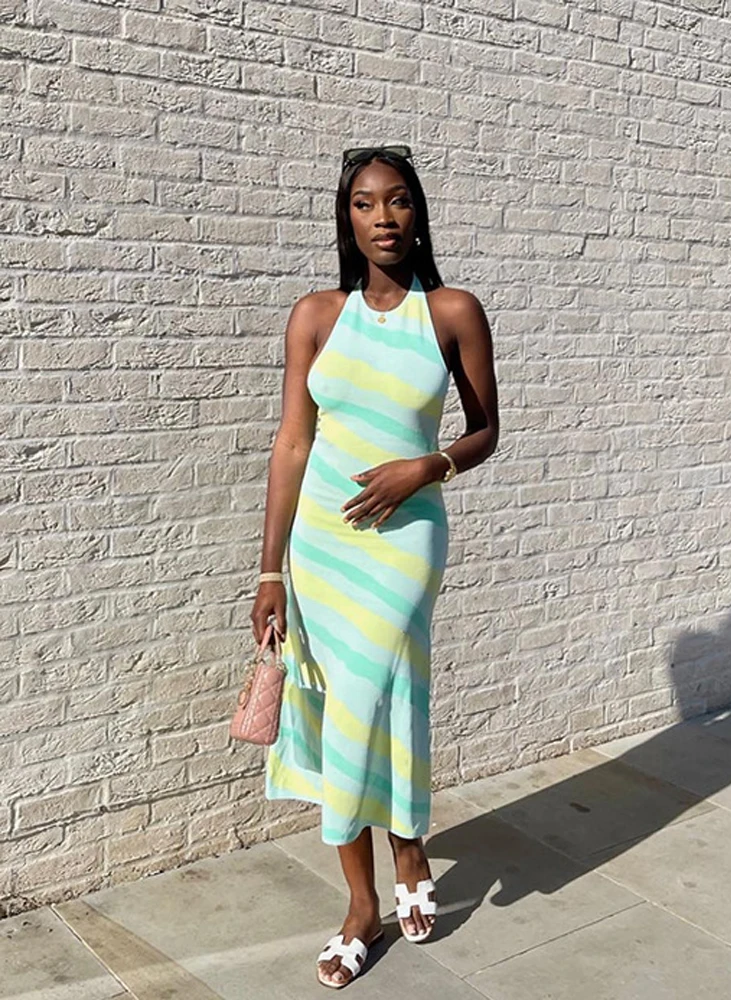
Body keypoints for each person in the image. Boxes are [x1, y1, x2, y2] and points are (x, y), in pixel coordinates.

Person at [251, 144, 499, 989]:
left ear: (418, 213)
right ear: (346, 219)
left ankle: (406, 847)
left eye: (398, 201)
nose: (383, 217)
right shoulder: (316, 315)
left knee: (376, 695)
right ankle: (367, 897)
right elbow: (293, 443)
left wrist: (426, 467)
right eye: (365, 203)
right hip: (322, 544)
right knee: (343, 707)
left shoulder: (452, 311)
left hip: (406, 541)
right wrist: (270, 571)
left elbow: (485, 430)